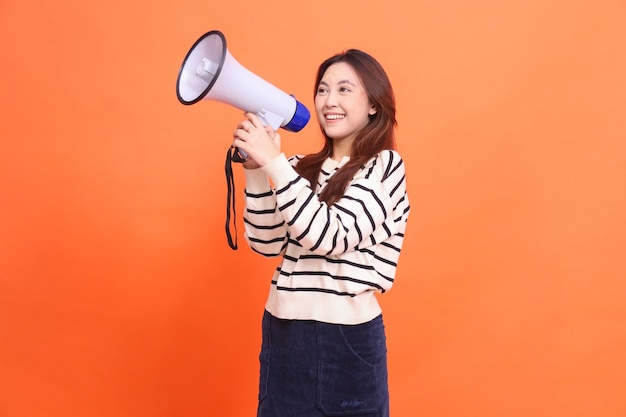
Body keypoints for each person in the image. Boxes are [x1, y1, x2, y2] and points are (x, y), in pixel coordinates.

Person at [231, 48, 410, 417]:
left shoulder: (384, 167)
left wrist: (275, 165)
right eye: (323, 90)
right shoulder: (298, 168)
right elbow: (266, 243)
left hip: (347, 342)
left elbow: (333, 236)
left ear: (374, 105)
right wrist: (254, 169)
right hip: (284, 334)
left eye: (345, 90)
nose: (329, 101)